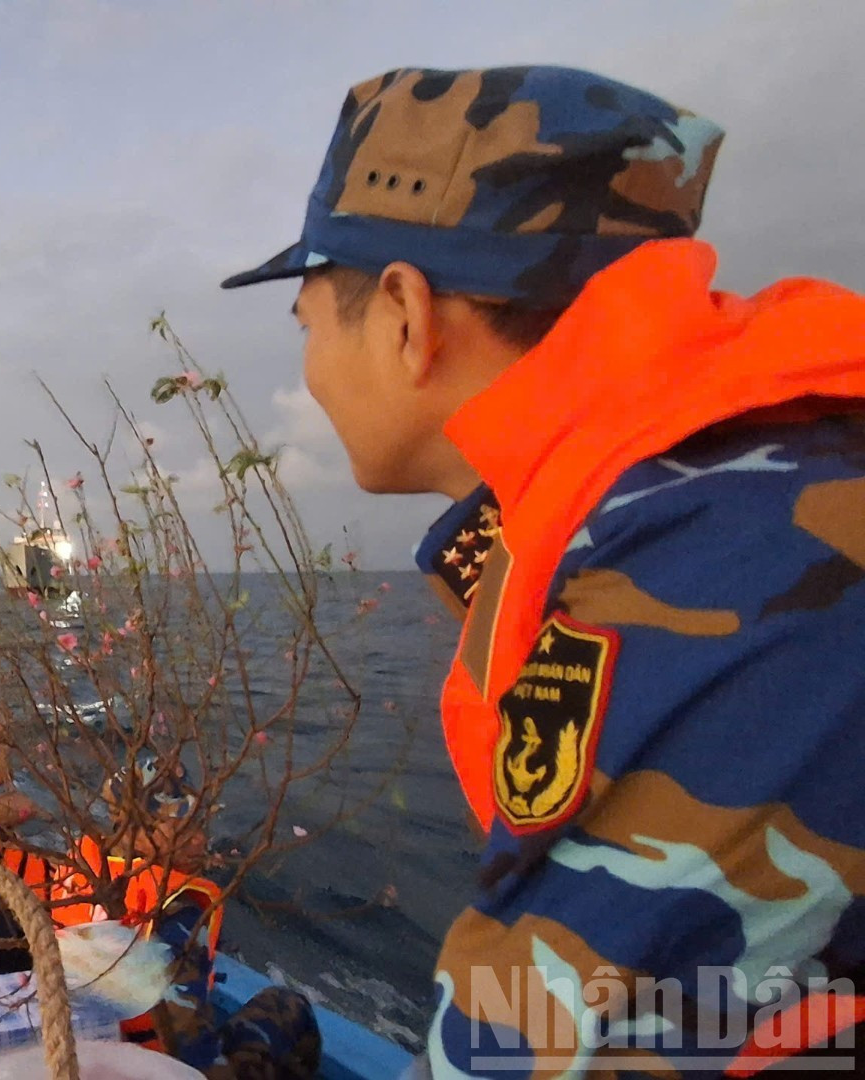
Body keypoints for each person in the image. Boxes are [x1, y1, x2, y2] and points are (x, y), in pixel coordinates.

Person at [220, 65, 865, 1074]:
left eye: (305, 323)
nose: (304, 367)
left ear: (403, 312)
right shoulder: (677, 502)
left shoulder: (722, 567)